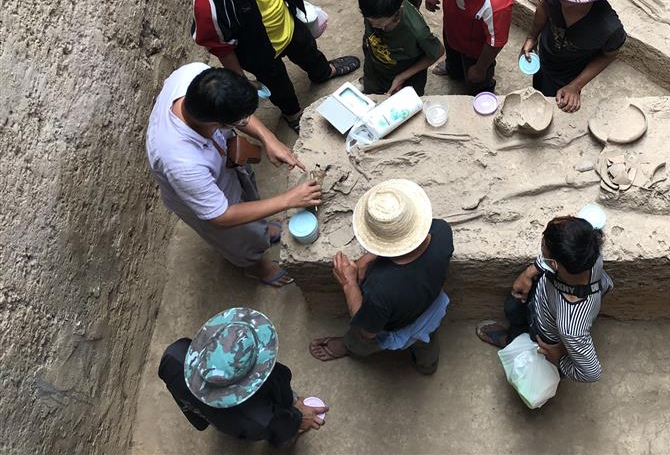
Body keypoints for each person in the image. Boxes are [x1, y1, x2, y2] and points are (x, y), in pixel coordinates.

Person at [146, 63, 322, 286]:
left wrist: (268, 139)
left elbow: (237, 113)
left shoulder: (197, 76)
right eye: (241, 121)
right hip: (201, 196)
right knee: (237, 237)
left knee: (249, 199)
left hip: (224, 160)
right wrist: (288, 200)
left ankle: (262, 231)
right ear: (217, 123)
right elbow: (221, 216)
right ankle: (256, 267)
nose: (246, 121)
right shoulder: (182, 164)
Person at [193, 0, 359, 132]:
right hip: (257, 51)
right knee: (277, 85)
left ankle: (323, 72)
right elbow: (221, 47)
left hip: (287, 22)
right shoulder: (208, 1)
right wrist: (240, 79)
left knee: (308, 49)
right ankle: (293, 114)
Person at [309, 180, 453, 375]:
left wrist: (349, 284)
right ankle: (428, 366)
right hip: (432, 309)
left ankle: (351, 347)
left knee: (361, 339)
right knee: (426, 342)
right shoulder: (442, 231)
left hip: (397, 327)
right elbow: (411, 247)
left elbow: (368, 331)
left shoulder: (381, 290)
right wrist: (370, 257)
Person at [158, 307, 327, 448]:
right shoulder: (261, 419)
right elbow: (280, 427)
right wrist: (297, 416)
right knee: (283, 430)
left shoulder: (174, 355)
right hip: (250, 423)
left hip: (212, 415)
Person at [476, 216, 613, 383]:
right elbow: (561, 251)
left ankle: (511, 341)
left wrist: (559, 359)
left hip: (544, 333)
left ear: (554, 265)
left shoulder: (570, 327)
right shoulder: (588, 252)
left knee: (517, 321)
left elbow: (591, 373)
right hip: (545, 299)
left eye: (543, 248)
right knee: (512, 307)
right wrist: (529, 272)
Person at [519, 0, 626, 113]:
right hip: (544, 55)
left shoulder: (609, 29)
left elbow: (609, 55)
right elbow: (544, 7)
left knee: (553, 106)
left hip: (568, 74)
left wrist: (576, 86)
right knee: (539, 88)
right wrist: (532, 37)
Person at [358, 0, 444, 96]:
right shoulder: (371, 5)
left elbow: (438, 51)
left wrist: (402, 77)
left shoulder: (417, 31)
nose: (373, 26)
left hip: (406, 70)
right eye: (370, 21)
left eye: (380, 24)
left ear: (397, 15)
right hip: (376, 66)